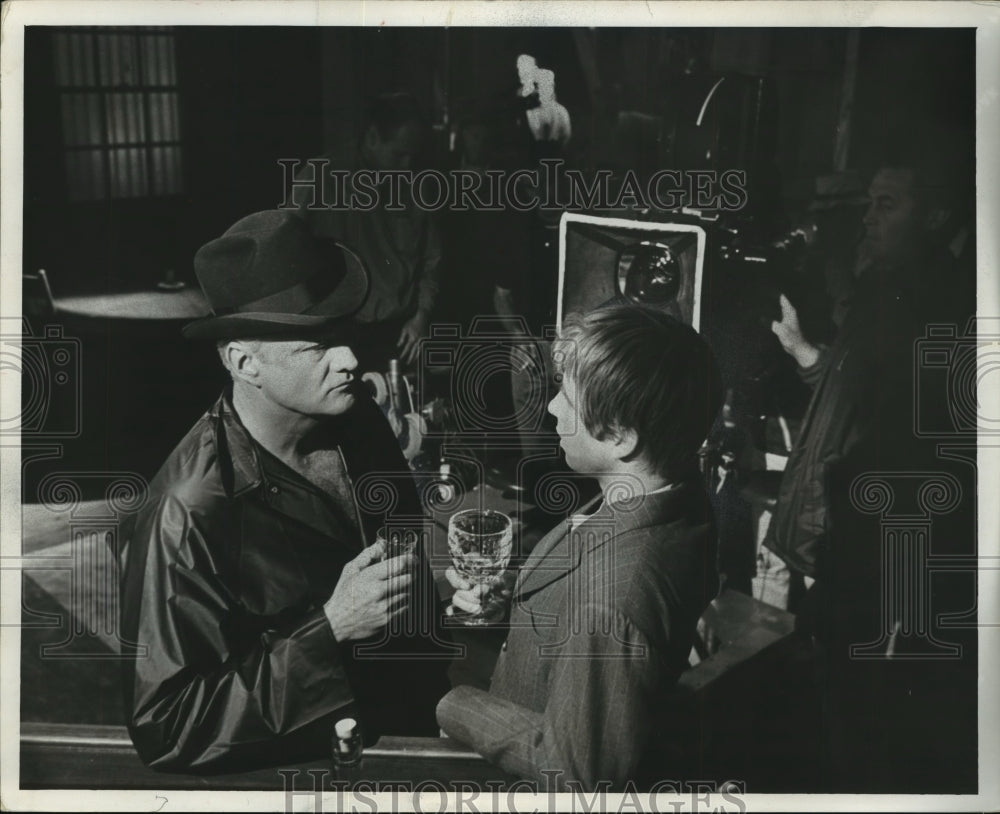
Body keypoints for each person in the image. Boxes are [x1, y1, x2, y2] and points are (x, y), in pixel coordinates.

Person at [119, 211, 450, 774]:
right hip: (299, 774)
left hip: (411, 735)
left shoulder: (359, 419)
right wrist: (331, 628)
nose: (350, 360)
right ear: (244, 362)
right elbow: (169, 727)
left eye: (344, 335)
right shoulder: (187, 512)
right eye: (317, 346)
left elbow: (402, 565)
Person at [435, 303, 723, 790]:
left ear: (622, 436)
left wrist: (454, 704)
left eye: (567, 397)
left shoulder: (611, 599)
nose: (551, 408)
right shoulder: (665, 498)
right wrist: (524, 594)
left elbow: (577, 772)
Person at [290, 92, 443, 371]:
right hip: (337, 335)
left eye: (413, 156)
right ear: (372, 137)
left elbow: (431, 261)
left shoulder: (415, 186)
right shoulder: (319, 177)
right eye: (399, 154)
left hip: (401, 334)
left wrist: (421, 316)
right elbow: (285, 256)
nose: (407, 166)